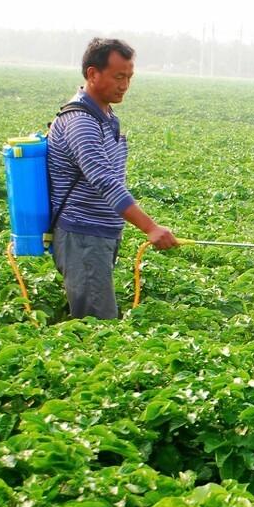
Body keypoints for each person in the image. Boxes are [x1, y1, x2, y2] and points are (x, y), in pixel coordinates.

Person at [46, 37, 178, 319]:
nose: (125, 85)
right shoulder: (80, 121)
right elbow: (105, 180)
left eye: (129, 77)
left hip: (99, 234)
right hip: (82, 235)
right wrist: (150, 227)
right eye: (119, 76)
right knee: (97, 324)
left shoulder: (105, 115)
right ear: (93, 74)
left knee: (93, 313)